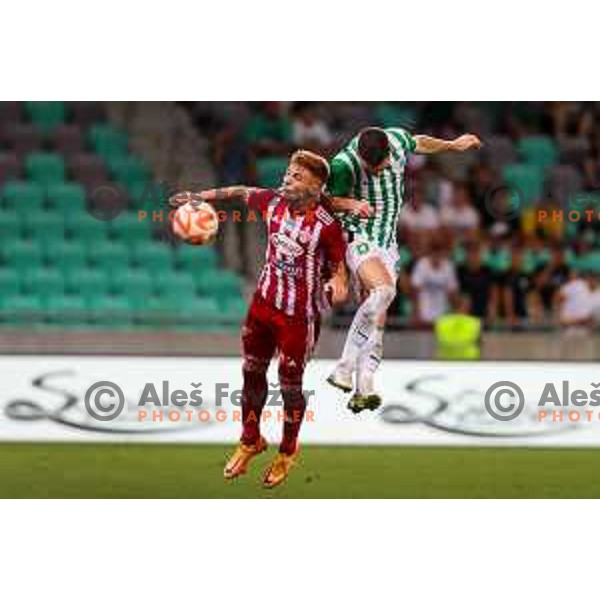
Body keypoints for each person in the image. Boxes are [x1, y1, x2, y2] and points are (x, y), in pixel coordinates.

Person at [175, 150, 348, 488]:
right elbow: (240, 191)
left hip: (298, 318)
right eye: (288, 172)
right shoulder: (272, 203)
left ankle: (286, 451)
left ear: (315, 187)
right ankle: (250, 439)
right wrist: (200, 197)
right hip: (262, 306)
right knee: (251, 373)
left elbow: (339, 270)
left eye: (297, 176)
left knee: (289, 388)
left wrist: (337, 284)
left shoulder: (327, 228)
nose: (287, 178)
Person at [325, 126, 481, 412]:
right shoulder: (343, 164)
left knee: (378, 315)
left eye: (381, 164)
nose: (377, 170)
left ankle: (363, 387)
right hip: (357, 235)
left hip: (387, 242)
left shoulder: (396, 140)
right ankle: (344, 367)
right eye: (370, 168)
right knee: (383, 292)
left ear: (389, 152)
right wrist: (350, 204)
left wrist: (452, 144)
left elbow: (420, 142)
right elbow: (326, 202)